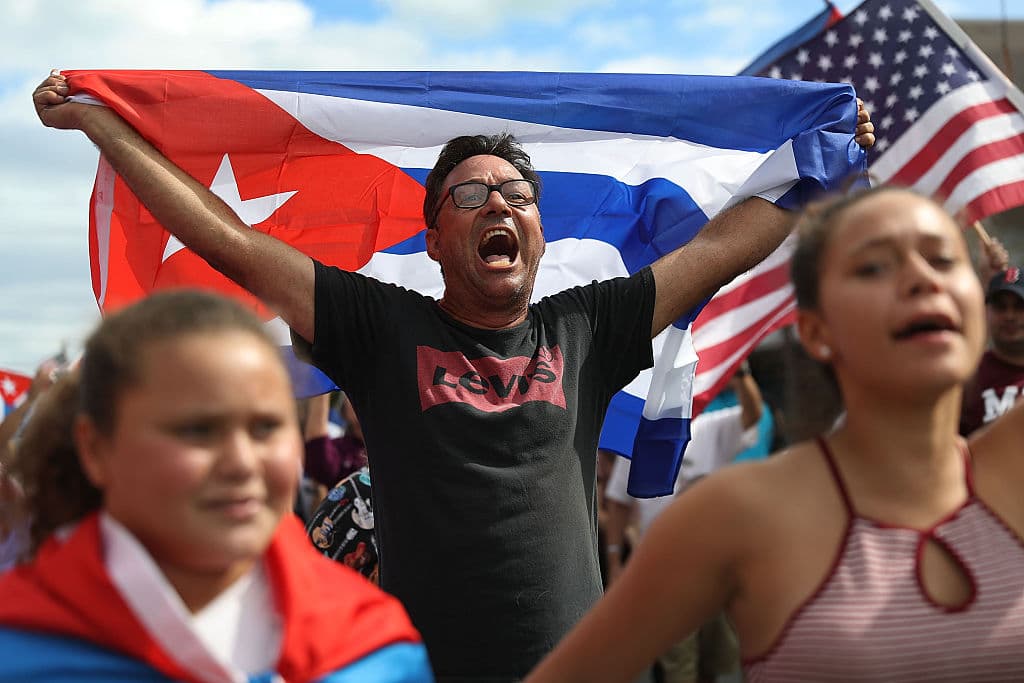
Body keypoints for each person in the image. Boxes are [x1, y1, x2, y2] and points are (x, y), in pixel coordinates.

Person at [33, 71, 874, 682]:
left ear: (539, 232)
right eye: (469, 197)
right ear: (433, 239)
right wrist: (107, 128)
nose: (498, 205)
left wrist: (818, 166)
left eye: (515, 193)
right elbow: (235, 246)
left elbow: (719, 250)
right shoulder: (378, 328)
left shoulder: (588, 325)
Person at [525, 187, 1024, 683]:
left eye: (942, 260)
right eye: (873, 267)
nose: (921, 278)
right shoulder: (739, 515)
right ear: (815, 331)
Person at [0, 290, 432, 682]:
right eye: (197, 430)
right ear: (95, 449)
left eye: (266, 427)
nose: (242, 462)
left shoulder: (376, 648)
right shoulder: (19, 647)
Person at [603, 368, 763, 683]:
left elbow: (753, 414)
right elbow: (618, 503)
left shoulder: (712, 427)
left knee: (721, 662)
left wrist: (741, 374)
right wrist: (615, 563)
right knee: (679, 666)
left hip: (717, 571)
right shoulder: (639, 438)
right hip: (665, 573)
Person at [959, 266, 1024, 435]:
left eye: (1019, 306)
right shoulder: (967, 376)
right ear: (986, 313)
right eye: (1001, 307)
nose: (1010, 316)